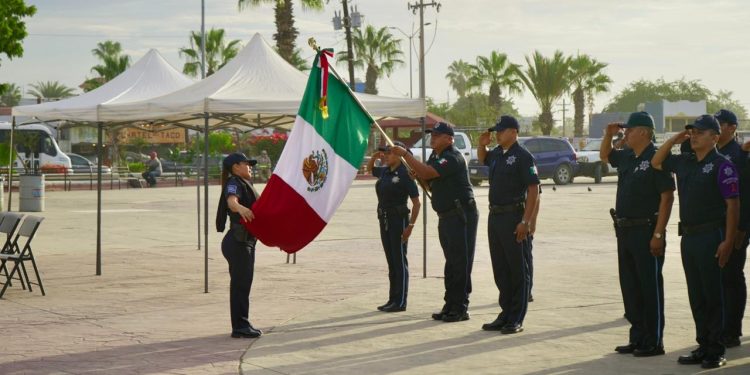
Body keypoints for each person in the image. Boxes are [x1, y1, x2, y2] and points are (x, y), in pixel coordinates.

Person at [652, 115, 740, 369]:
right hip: (689, 237)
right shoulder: (685, 162)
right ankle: (703, 344)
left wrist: (729, 241)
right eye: (692, 132)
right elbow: (657, 162)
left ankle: (716, 348)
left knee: (713, 295)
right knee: (696, 294)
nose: (695, 136)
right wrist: (674, 139)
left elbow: (733, 206)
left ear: (715, 137)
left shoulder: (722, 165)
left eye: (700, 132)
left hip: (712, 236)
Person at [600, 112, 675, 357]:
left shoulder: (656, 157)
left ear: (643, 131)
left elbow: (667, 197)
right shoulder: (628, 156)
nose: (626, 133)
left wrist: (659, 234)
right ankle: (637, 336)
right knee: (630, 286)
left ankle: (653, 341)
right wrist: (608, 135)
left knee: (648, 286)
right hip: (625, 229)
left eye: (629, 130)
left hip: (646, 229)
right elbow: (605, 155)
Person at [391, 122, 478, 323]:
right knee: (451, 262)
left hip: (460, 214)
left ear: (449, 139)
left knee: (460, 262)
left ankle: (460, 306)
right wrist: (419, 177)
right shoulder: (435, 157)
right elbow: (429, 182)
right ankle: (450, 303)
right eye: (433, 135)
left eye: (438, 136)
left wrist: (405, 155)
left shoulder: (452, 157)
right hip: (446, 215)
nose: (433, 138)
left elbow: (429, 173)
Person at [682, 109, 748, 348]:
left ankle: (728, 332)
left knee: (728, 282)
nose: (694, 136)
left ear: (729, 128)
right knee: (703, 290)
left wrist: (740, 230)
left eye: (720, 124)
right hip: (699, 234)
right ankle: (707, 341)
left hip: (726, 229)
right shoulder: (698, 156)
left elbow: (742, 198)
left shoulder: (738, 155)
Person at [476, 115, 540, 334]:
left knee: (517, 269)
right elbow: (484, 158)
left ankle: (516, 317)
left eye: (500, 131)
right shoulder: (497, 154)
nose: (497, 135)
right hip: (495, 216)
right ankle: (505, 312)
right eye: (496, 131)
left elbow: (534, 190)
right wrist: (481, 145)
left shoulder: (523, 156)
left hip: (514, 216)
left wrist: (526, 221)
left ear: (513, 132)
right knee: (501, 268)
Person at [367, 141, 421, 312]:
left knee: (399, 260)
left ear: (399, 155)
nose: (386, 155)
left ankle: (400, 301)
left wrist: (410, 226)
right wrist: (375, 157)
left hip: (399, 220)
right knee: (391, 261)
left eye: (390, 152)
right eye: (386, 152)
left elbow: (417, 203)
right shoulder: (385, 171)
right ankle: (392, 298)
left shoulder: (405, 174)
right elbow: (370, 170)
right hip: (384, 219)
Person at [215, 152, 262, 339]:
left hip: (244, 242)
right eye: (246, 163)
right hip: (238, 242)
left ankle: (241, 324)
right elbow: (231, 201)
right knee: (240, 286)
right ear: (236, 166)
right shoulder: (234, 182)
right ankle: (240, 326)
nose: (250, 166)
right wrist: (241, 208)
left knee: (243, 284)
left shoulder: (245, 184)